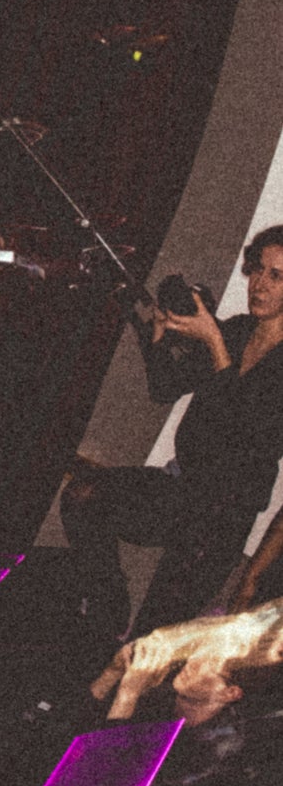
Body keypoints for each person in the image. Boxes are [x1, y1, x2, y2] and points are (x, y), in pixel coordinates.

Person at [61, 226, 283, 652]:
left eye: (276, 276)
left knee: (151, 640)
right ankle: (109, 608)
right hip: (181, 489)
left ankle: (128, 656)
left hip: (221, 515)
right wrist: (157, 334)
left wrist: (214, 342)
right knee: (83, 495)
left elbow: (244, 429)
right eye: (258, 269)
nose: (259, 284)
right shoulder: (237, 331)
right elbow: (165, 387)